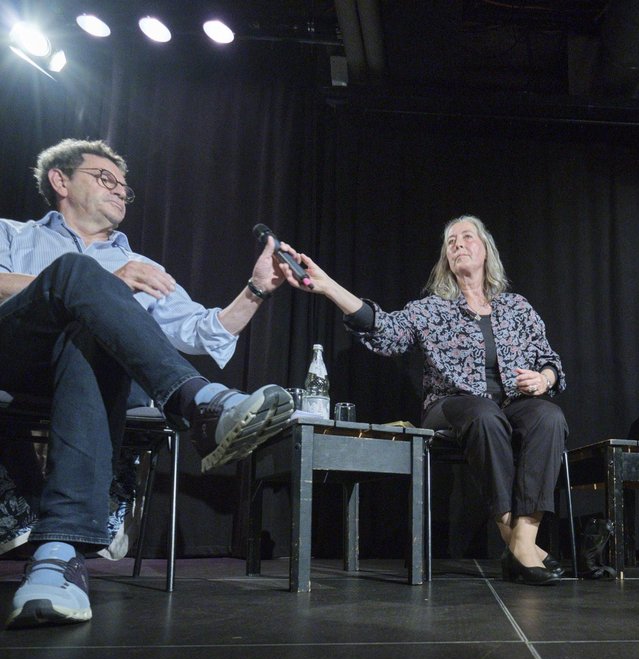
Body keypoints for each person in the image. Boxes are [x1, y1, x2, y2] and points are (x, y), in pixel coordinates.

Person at [0, 139, 295, 628]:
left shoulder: (147, 268)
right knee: (76, 274)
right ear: (61, 181)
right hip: (15, 359)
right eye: (105, 179)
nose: (120, 192)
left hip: (93, 378)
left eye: (124, 187)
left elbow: (205, 329)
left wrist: (257, 288)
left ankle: (58, 556)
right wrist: (102, 277)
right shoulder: (13, 234)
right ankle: (198, 403)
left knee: (90, 336)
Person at [278, 215, 568, 585]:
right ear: (446, 258)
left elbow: (550, 360)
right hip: (450, 406)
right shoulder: (431, 309)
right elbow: (385, 330)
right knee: (483, 413)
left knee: (549, 416)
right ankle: (521, 546)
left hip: (512, 403)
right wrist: (330, 287)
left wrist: (544, 379)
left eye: (467, 237)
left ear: (486, 250)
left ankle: (522, 542)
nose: (458, 244)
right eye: (451, 242)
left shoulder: (518, 308)